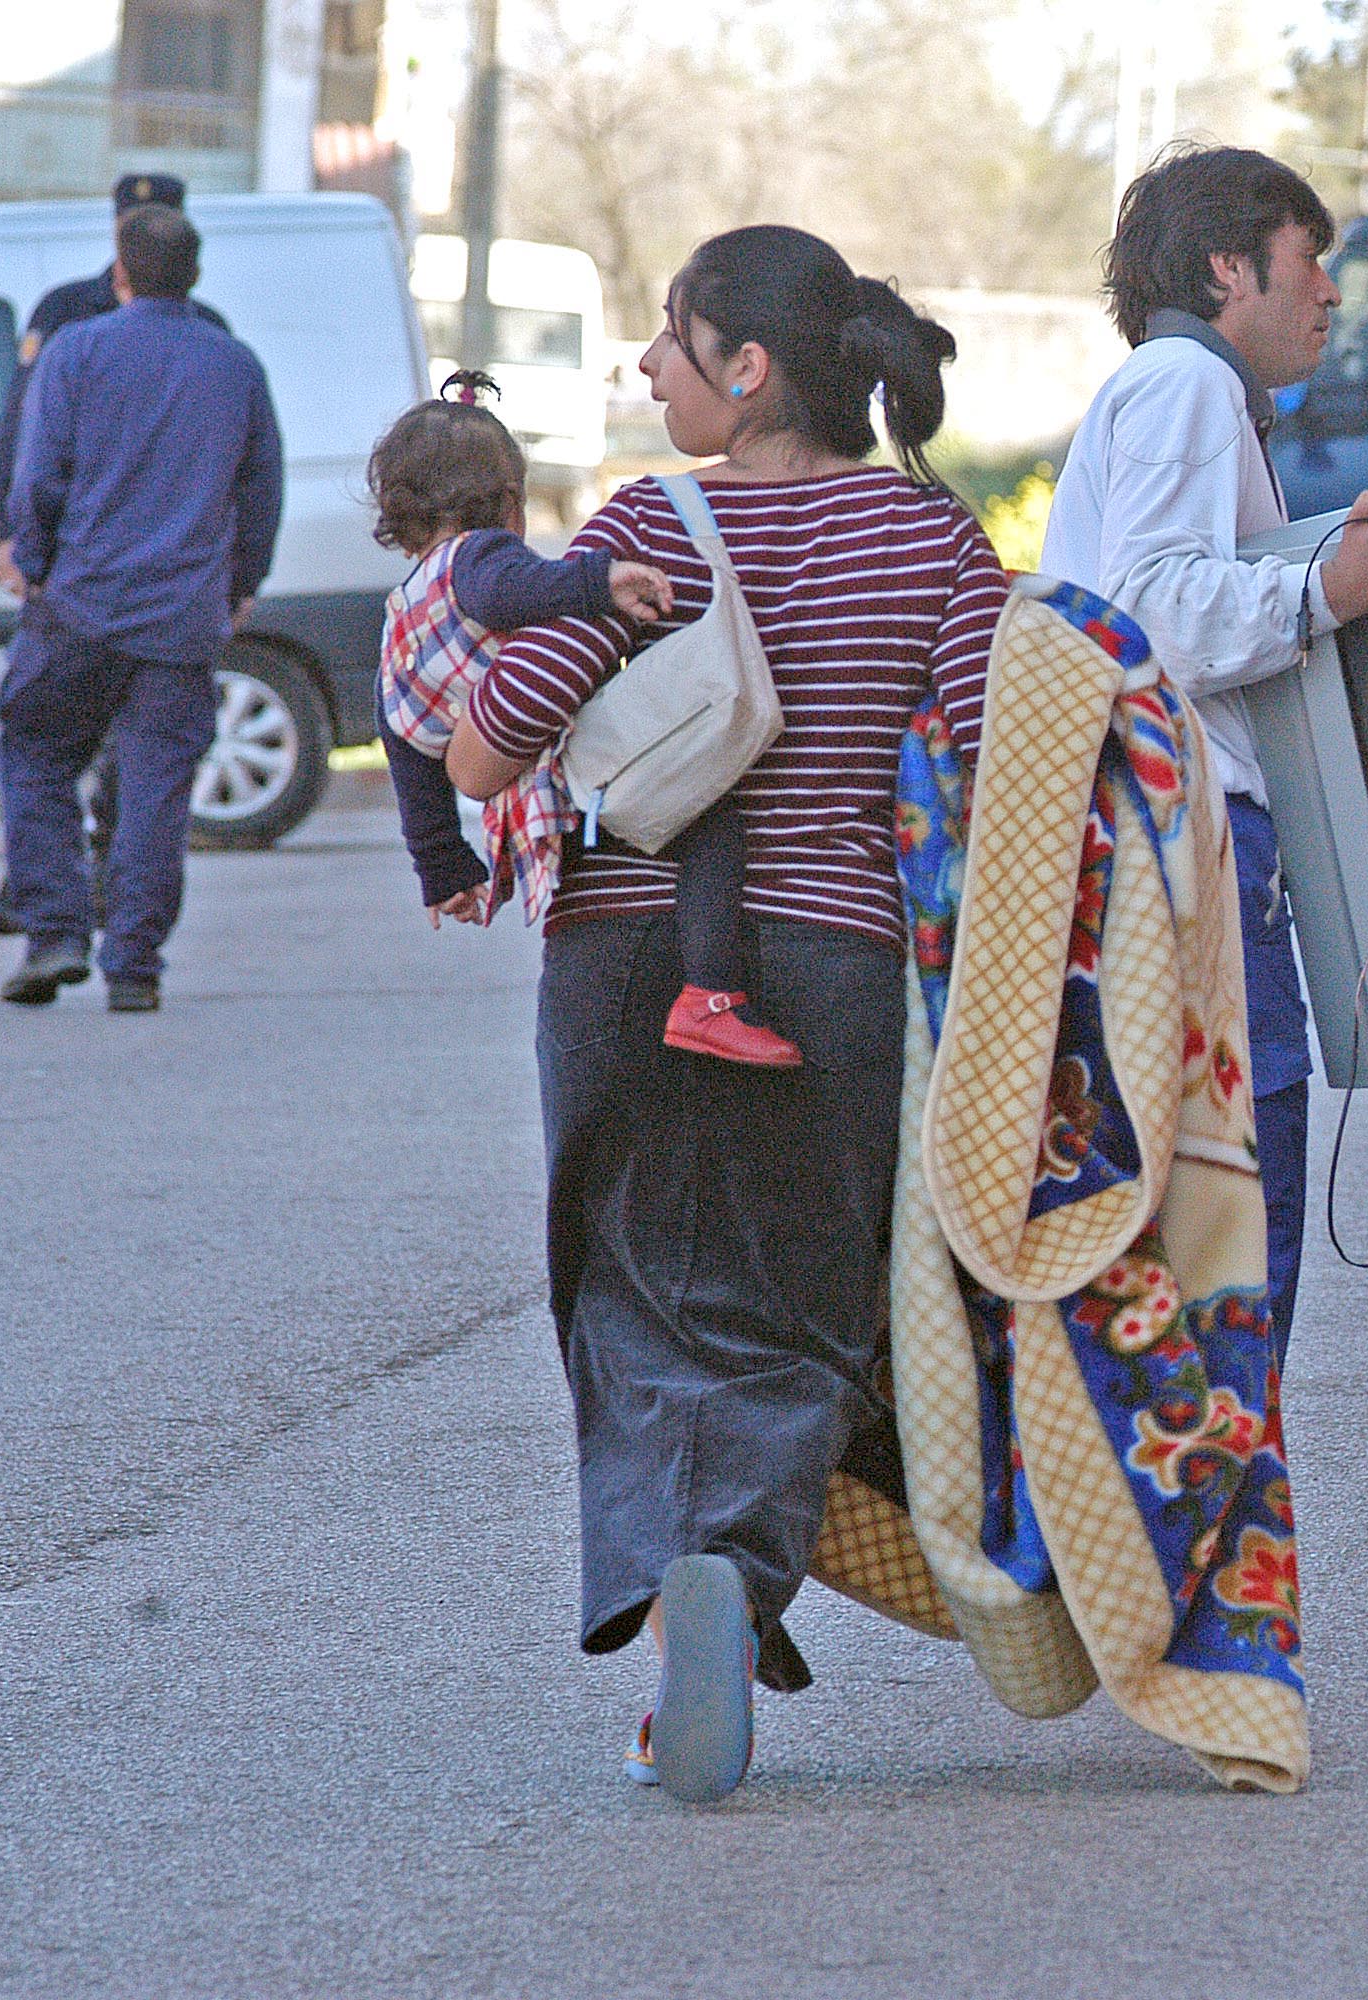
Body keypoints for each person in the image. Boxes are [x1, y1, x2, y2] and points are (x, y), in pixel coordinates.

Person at [445, 225, 1001, 1804]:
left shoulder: (646, 527)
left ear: (747, 370)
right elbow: (992, 765)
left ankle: (682, 1582)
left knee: (633, 1286)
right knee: (802, 1296)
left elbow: (487, 753)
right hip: (832, 966)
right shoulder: (933, 541)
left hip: (620, 956)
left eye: (671, 336)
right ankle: (733, 1584)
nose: (645, 364)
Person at [1041, 145, 1368, 1365]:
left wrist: (1324, 570)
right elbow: (1151, 610)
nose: (1330, 292)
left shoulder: (1182, 387)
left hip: (1158, 838)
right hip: (1179, 843)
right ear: (1227, 270)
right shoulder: (1186, 380)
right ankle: (1211, 1471)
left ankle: (1188, 1470)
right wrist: (1329, 590)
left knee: (1204, 1214)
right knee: (1234, 1214)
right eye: (1310, 261)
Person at [362, 378, 778, 1058]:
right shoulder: (480, 559)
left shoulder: (402, 616)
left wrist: (443, 867)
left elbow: (404, 744)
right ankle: (709, 995)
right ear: (509, 501)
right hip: (577, 773)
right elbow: (514, 590)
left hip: (530, 812)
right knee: (713, 822)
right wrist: (598, 581)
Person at [0, 203, 282, 1014]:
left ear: (120, 271)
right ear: (195, 274)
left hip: (81, 606)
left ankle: (54, 931)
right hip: (180, 619)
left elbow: (38, 474)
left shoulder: (78, 349)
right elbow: (261, 490)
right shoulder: (233, 365)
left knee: (37, 752)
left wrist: (35, 563)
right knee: (157, 786)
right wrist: (239, 585)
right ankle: (134, 963)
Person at [0, 172, 228, 939]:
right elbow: (18, 440)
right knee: (114, 761)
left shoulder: (186, 336)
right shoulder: (71, 312)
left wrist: (33, 551)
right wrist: (14, 540)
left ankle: (68, 912)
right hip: (120, 592)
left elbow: (34, 459)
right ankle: (98, 929)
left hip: (91, 593)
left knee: (66, 751)